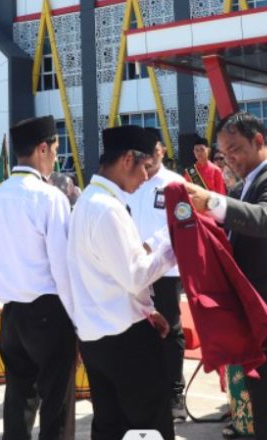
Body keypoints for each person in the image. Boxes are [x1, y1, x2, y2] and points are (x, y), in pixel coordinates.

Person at [184, 112, 267, 440]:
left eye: (236, 150)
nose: (231, 160)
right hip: (262, 318)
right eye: (225, 154)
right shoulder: (247, 184)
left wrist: (211, 200)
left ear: (259, 140)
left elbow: (265, 218)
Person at [67, 125, 177, 440]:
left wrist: (145, 309)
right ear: (127, 159)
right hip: (125, 340)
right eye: (145, 167)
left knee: (110, 424)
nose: (146, 177)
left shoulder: (88, 201)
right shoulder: (107, 208)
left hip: (96, 335)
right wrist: (174, 246)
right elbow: (135, 275)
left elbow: (109, 274)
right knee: (147, 426)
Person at [0, 116, 77, 440]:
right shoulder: (49, 197)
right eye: (54, 149)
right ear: (42, 148)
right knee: (57, 403)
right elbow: (62, 267)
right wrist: (77, 317)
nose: (56, 156)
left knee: (18, 399)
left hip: (12, 312)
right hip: (48, 310)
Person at [126, 128, 188, 422]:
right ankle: (149, 387)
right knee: (139, 328)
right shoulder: (131, 183)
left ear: (161, 151)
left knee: (171, 328)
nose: (147, 162)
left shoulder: (174, 183)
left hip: (164, 268)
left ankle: (176, 391)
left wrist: (151, 244)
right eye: (142, 157)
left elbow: (180, 223)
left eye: (151, 154)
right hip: (132, 269)